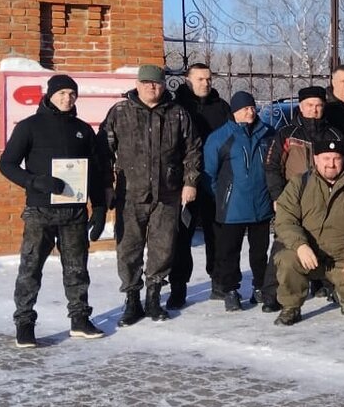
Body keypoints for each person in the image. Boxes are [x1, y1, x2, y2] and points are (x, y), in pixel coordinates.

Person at [0, 73, 107, 347]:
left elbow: (94, 170)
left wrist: (101, 206)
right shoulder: (29, 127)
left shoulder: (83, 129)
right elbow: (6, 164)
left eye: (72, 94)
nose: (67, 98)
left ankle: (79, 319)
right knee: (31, 268)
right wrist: (35, 181)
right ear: (49, 95)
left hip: (74, 212)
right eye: (62, 93)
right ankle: (24, 323)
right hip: (40, 210)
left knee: (77, 269)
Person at [99, 64, 201, 327]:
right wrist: (107, 185)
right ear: (137, 83)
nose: (151, 87)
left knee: (163, 247)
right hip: (130, 194)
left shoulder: (178, 114)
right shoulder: (120, 112)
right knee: (128, 249)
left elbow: (192, 151)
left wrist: (190, 182)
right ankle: (132, 300)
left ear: (164, 84)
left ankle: (154, 298)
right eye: (145, 83)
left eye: (155, 83)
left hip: (168, 194)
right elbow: (104, 152)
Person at [271, 135, 344, 325]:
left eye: (336, 158)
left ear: (343, 160)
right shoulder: (300, 183)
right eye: (326, 158)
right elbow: (285, 218)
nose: (331, 164)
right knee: (286, 259)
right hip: (309, 255)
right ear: (316, 159)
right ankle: (291, 307)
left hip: (343, 258)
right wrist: (300, 246)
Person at [261, 85, 335, 312]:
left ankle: (326, 283)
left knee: (327, 240)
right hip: (292, 200)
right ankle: (272, 292)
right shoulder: (286, 133)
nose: (314, 110)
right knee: (283, 244)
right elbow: (272, 167)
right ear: (301, 107)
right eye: (310, 105)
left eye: (319, 106)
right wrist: (278, 195)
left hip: (325, 201)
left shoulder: (334, 134)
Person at [204, 91, 274, 312]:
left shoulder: (268, 134)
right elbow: (209, 174)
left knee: (260, 251)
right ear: (235, 112)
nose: (250, 111)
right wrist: (223, 195)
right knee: (228, 252)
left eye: (252, 107)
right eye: (245, 108)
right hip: (232, 206)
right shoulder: (220, 137)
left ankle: (260, 287)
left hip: (261, 205)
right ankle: (230, 290)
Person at [169, 62, 232, 307]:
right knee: (181, 235)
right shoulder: (177, 107)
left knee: (217, 233)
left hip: (214, 182)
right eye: (200, 79)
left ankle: (219, 282)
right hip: (184, 182)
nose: (205, 83)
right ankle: (178, 287)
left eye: (208, 79)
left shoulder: (221, 107)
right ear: (188, 79)